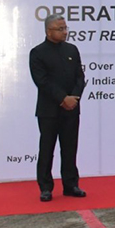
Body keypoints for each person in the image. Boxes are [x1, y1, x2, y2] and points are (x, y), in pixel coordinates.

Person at [29, 13, 87, 202]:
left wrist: (74, 98)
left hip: (72, 109)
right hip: (49, 111)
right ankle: (45, 187)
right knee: (47, 149)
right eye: (60, 29)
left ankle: (71, 185)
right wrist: (63, 98)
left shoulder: (72, 50)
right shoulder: (37, 53)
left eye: (65, 28)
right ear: (48, 31)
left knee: (70, 148)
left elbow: (80, 77)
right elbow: (42, 82)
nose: (64, 32)